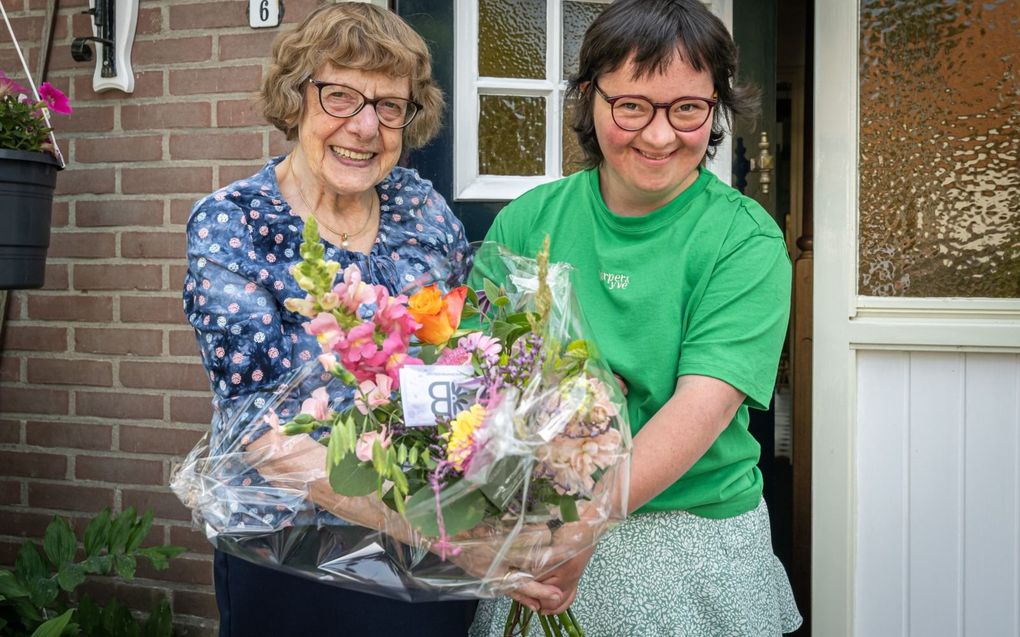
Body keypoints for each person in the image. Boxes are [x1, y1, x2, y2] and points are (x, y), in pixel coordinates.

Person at [467, 0, 803, 634]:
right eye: (633, 107)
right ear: (590, 99)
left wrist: (585, 523)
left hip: (689, 538)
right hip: (542, 531)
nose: (659, 135)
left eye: (687, 109)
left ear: (717, 108)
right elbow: (476, 381)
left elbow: (701, 408)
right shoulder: (526, 221)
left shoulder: (742, 240)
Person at [182, 4, 480, 635]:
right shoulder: (235, 222)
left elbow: (462, 360)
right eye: (340, 96)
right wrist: (443, 526)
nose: (365, 127)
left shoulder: (421, 209)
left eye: (389, 106)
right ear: (295, 99)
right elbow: (262, 435)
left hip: (434, 548)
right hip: (293, 557)